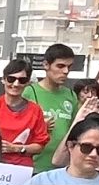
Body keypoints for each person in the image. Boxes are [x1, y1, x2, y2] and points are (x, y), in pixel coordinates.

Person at [27, 44, 80, 172]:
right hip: (34, 167)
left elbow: (75, 129)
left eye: (69, 67)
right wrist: (38, 127)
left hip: (61, 168)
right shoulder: (29, 92)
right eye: (60, 66)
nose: (66, 71)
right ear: (46, 65)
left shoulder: (71, 95)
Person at [0, 59, 51, 167]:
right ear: (3, 80)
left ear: (27, 82)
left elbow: (40, 145)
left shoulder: (35, 110)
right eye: (11, 79)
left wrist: (15, 148)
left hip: (21, 169)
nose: (16, 84)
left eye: (22, 80)